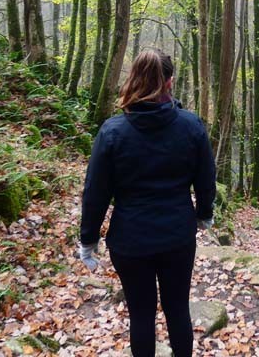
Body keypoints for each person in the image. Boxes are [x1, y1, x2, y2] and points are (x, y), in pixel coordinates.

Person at [78, 49, 216, 357]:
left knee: (140, 315)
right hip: (177, 237)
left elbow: (95, 192)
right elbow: (206, 179)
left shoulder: (112, 132)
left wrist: (88, 240)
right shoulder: (191, 127)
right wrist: (204, 214)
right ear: (170, 82)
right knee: (177, 310)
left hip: (130, 240)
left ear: (134, 79)